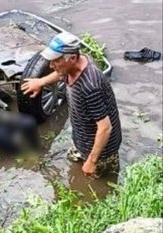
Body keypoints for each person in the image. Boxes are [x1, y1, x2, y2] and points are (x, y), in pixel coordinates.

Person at [21, 32, 121, 178]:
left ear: (72, 58)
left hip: (101, 151)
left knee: (95, 185)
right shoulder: (75, 64)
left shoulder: (89, 87)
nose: (50, 65)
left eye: (55, 61)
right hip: (83, 138)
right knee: (75, 169)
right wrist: (40, 82)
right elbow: (61, 72)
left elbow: (105, 128)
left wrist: (92, 161)